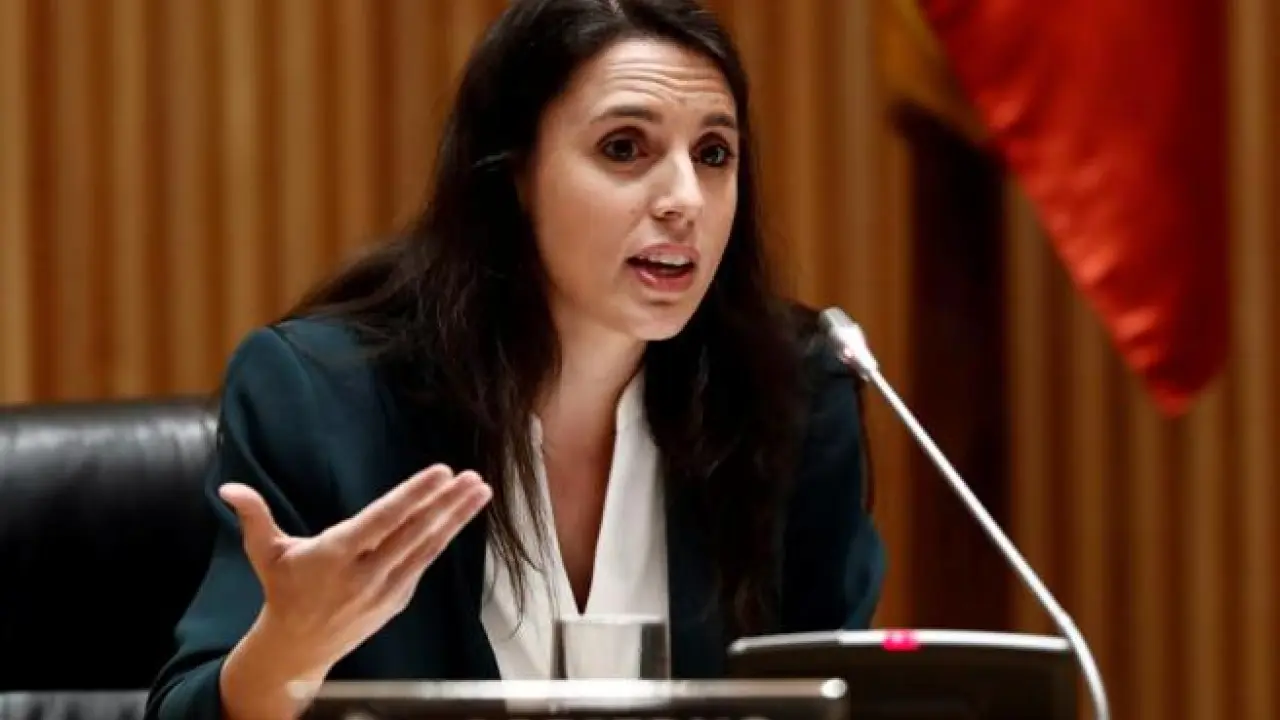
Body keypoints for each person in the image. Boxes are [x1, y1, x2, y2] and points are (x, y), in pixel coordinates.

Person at [144, 0, 886, 718]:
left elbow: (838, 696)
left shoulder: (789, 395)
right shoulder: (328, 400)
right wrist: (287, 653)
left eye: (713, 154)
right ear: (512, 175)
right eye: (624, 148)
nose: (684, 199)